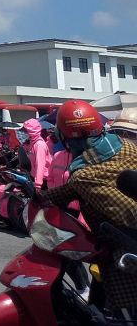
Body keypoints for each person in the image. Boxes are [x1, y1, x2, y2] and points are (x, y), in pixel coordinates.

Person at [42, 100, 137, 319]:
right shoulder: (126, 148)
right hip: (117, 245)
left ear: (64, 137)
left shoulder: (83, 174)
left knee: (124, 314)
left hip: (125, 254)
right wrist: (38, 196)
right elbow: (73, 191)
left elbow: (126, 214)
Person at [22, 119, 52, 189]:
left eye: (27, 131)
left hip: (43, 180)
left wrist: (38, 185)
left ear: (32, 131)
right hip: (36, 177)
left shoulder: (39, 144)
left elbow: (40, 164)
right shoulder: (33, 143)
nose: (25, 133)